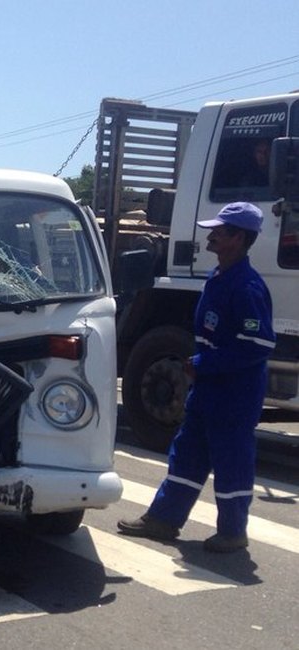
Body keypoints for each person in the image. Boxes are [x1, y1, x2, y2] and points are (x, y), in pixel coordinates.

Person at [118, 202, 275, 553]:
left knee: (231, 461)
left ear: (238, 238)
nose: (211, 235)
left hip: (234, 395)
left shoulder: (246, 287)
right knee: (186, 454)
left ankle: (233, 531)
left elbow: (257, 345)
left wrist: (204, 362)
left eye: (219, 230)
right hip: (208, 392)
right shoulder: (219, 278)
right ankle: (163, 519)